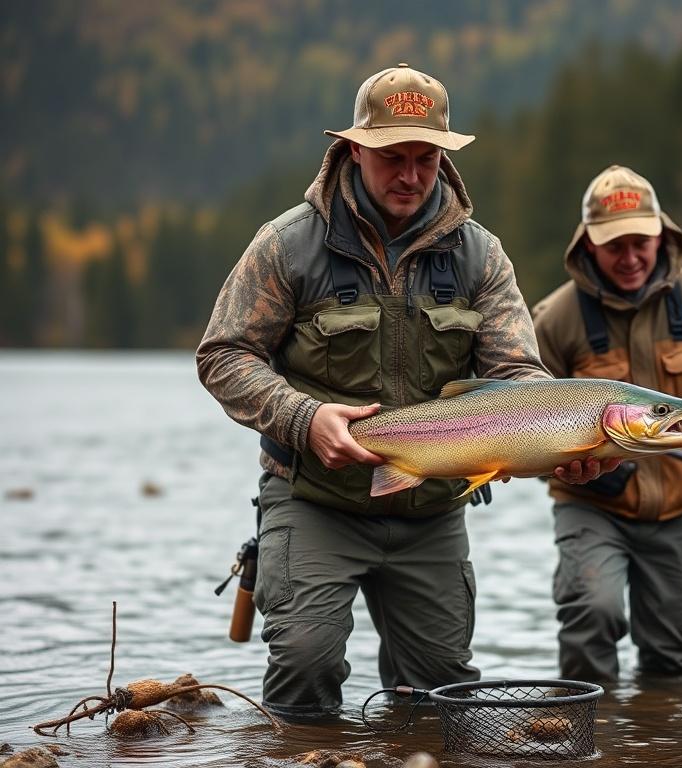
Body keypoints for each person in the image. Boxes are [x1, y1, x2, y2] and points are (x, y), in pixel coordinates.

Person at [196, 64, 614, 719]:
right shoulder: (288, 246)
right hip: (314, 498)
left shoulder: (480, 257)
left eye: (426, 158)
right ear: (354, 148)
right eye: (393, 156)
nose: (411, 175)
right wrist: (305, 420)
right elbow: (225, 356)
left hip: (431, 511)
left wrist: (565, 441)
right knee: (305, 665)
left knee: (442, 695)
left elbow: (516, 375)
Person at [531, 164, 682, 683]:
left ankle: (664, 745)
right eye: (616, 246)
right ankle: (581, 743)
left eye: (643, 242)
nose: (632, 257)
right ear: (589, 245)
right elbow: (526, 422)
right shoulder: (555, 319)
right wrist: (580, 465)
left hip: (680, 512)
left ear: (663, 235)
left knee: (674, 658)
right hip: (592, 509)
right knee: (593, 612)